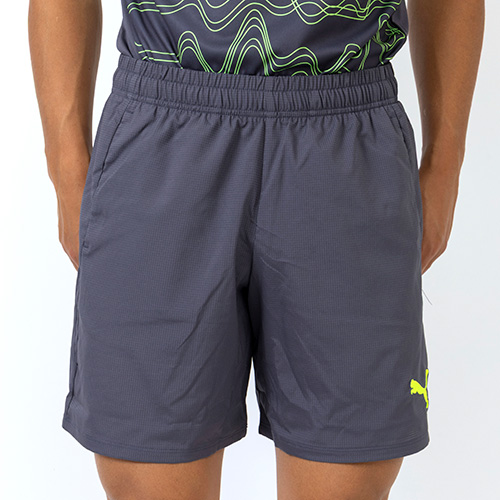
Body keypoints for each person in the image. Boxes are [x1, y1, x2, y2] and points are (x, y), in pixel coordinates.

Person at [28, 0, 484, 499]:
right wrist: (67, 169)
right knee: (148, 481)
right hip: (162, 130)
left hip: (346, 131)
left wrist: (445, 164)